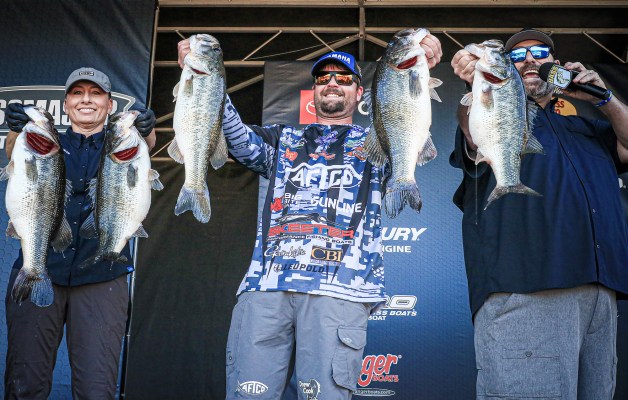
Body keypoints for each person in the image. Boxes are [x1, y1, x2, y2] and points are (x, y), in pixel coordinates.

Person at [178, 36, 442, 399]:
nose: (332, 83)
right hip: (267, 286)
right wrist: (205, 74)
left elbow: (410, 121)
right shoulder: (283, 138)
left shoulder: (377, 141)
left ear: (360, 92)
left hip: (341, 288)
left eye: (343, 78)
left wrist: (423, 65)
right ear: (314, 89)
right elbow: (234, 137)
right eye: (323, 78)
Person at [450, 28, 628, 399]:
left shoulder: (587, 127)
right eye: (517, 56)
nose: (530, 60)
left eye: (541, 53)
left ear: (557, 64)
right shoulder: (495, 119)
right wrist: (480, 85)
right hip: (528, 287)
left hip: (599, 294)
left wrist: (603, 98)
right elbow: (471, 130)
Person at [3, 67, 157, 399]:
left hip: (103, 276)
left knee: (96, 389)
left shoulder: (122, 141)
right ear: (67, 103)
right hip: (42, 266)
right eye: (77, 93)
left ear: (109, 104)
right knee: (24, 382)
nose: (86, 99)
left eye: (96, 93)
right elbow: (15, 152)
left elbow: (144, 147)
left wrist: (146, 129)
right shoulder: (47, 141)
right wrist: (16, 129)